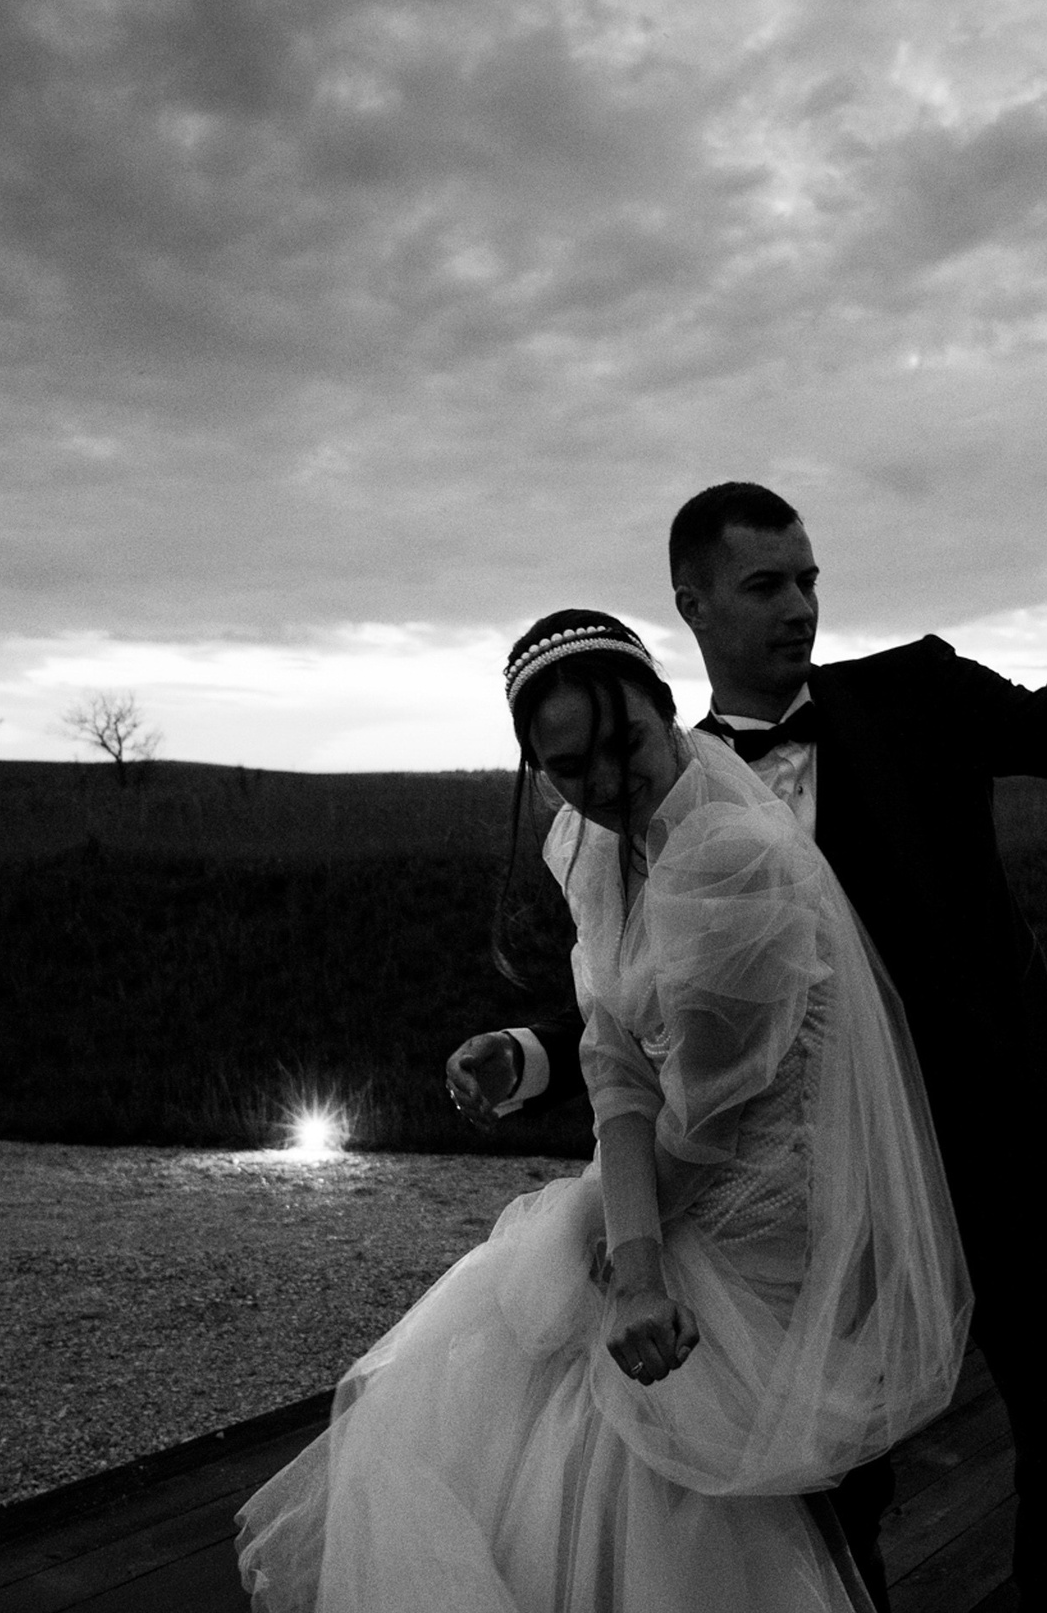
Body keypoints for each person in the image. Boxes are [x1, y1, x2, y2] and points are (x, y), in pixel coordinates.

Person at [447, 467, 1047, 1610]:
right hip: (813, 1194)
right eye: (766, 585)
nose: (800, 607)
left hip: (989, 1138)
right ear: (693, 604)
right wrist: (537, 1049)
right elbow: (655, 993)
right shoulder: (654, 778)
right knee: (830, 1477)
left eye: (808, 579)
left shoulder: (917, 695)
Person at [238, 610, 973, 1612]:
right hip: (666, 1179)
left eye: (623, 742)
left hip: (762, 1210)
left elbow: (705, 1120)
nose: (604, 781)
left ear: (665, 709)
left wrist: (631, 1266)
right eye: (568, 766)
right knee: (517, 1388)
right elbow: (617, 1061)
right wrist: (622, 1241)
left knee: (678, 1470)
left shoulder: (731, 858)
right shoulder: (590, 843)